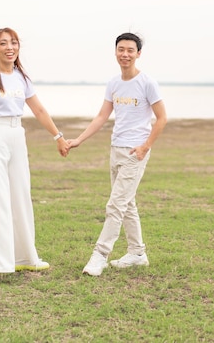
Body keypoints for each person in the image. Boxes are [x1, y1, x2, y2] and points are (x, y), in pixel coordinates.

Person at [0, 27, 70, 286]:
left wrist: (58, 136)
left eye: (13, 43)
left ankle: (26, 257)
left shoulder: (21, 78)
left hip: (17, 136)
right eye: (3, 43)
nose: (9, 47)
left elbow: (38, 109)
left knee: (21, 195)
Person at [67, 32, 167, 276]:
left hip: (136, 152)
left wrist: (145, 146)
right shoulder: (114, 83)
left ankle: (100, 255)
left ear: (138, 54)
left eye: (130, 50)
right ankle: (137, 253)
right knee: (126, 203)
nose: (125, 54)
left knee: (115, 205)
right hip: (116, 149)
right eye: (121, 49)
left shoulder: (147, 83)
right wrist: (79, 139)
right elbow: (102, 116)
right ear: (115, 52)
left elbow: (162, 118)